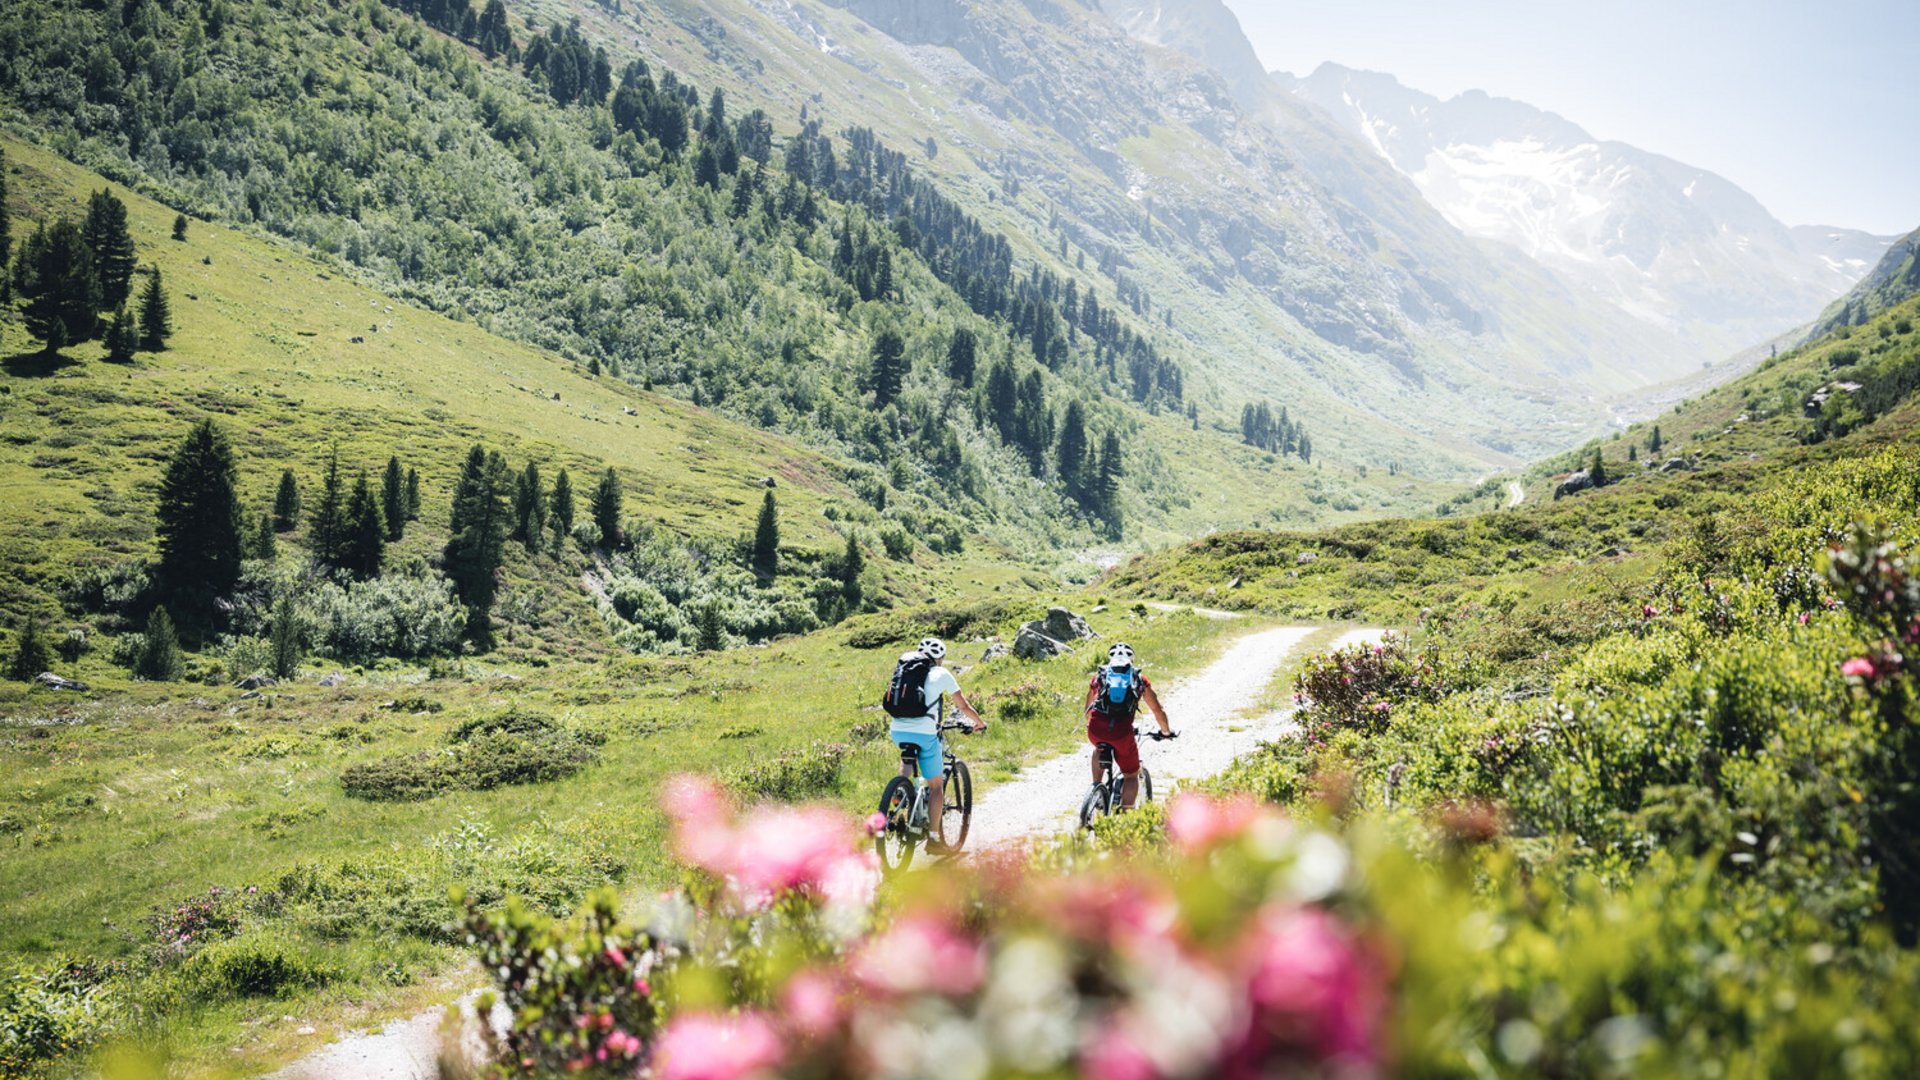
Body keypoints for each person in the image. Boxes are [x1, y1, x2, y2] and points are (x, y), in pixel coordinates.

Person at [887, 637, 985, 849]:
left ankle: (896, 802)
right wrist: (979, 723)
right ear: (940, 658)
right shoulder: (941, 673)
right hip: (925, 733)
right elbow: (963, 706)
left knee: (906, 766)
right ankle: (933, 838)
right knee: (936, 786)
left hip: (897, 730)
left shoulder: (905, 670)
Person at [1084, 642, 1171, 809]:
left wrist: (1093, 726)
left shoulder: (1099, 677)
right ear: (1131, 659)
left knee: (1099, 748)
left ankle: (1096, 792)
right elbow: (1157, 710)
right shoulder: (1139, 680)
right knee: (1131, 775)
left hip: (1096, 729)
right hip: (1121, 733)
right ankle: (1125, 815)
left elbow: (1088, 710)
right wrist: (1166, 731)